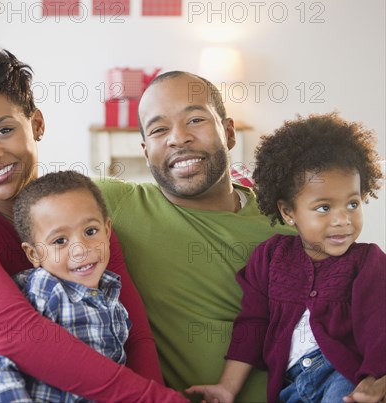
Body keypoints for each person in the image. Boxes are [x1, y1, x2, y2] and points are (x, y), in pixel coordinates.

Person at [0, 47, 187, 402]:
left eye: (3, 130)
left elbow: (135, 335)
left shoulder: (82, 220)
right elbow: (12, 332)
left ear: (37, 125)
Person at [95, 71, 296, 401]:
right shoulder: (119, 204)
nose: (178, 138)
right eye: (160, 130)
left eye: (195, 119)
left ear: (228, 133)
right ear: (146, 152)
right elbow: (1, 192)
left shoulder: (286, 220)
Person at [186, 113, 386, 403]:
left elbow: (379, 324)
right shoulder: (270, 257)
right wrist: (227, 387)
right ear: (288, 212)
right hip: (289, 387)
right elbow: (252, 324)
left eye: (352, 204)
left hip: (343, 377)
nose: (343, 220)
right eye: (323, 208)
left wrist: (374, 379)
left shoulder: (367, 260)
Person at [0, 170, 133, 402]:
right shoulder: (45, 289)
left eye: (90, 231)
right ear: (34, 254)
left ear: (107, 230)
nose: (80, 249)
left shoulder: (114, 300)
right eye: (60, 241)